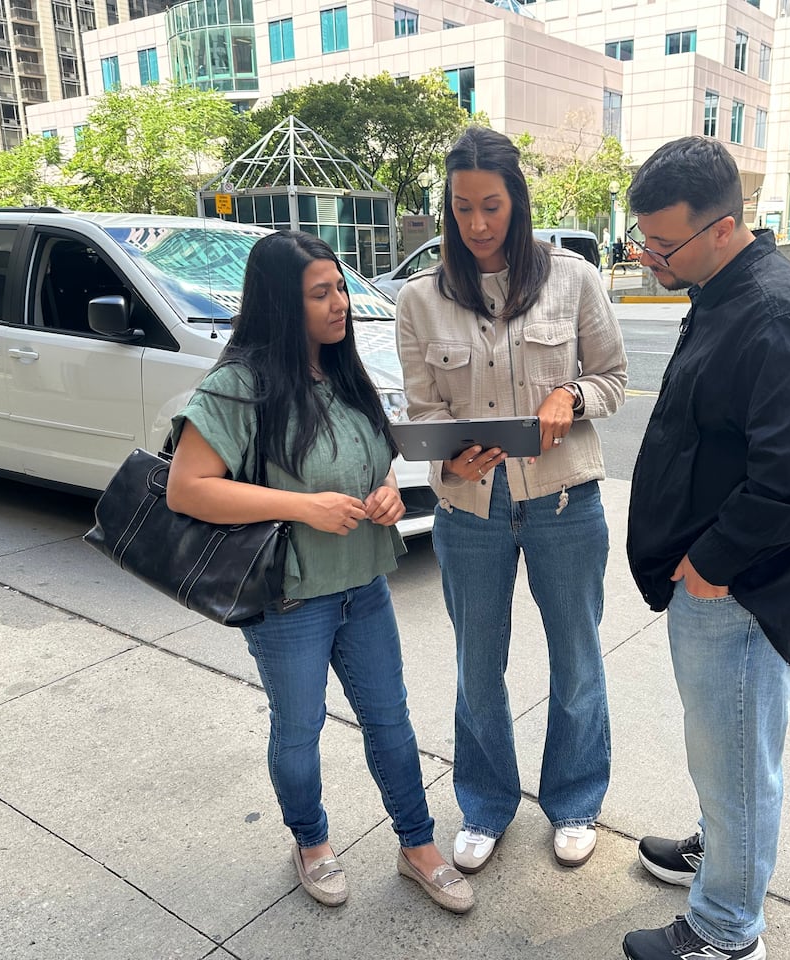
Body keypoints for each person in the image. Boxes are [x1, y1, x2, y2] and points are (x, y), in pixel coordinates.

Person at [165, 230, 473, 915]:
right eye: (321, 293)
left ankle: (417, 846)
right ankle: (310, 842)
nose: (340, 304)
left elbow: (372, 457)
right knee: (299, 730)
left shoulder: (341, 370)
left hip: (363, 584)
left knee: (390, 721)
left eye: (340, 288)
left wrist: (389, 490)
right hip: (290, 598)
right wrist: (301, 506)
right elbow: (187, 488)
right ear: (281, 303)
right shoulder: (239, 385)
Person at [622, 137, 790, 960]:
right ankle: (720, 851)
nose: (647, 256)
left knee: (739, 757)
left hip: (744, 590)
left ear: (723, 228)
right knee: (721, 746)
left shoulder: (777, 314)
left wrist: (714, 563)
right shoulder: (725, 292)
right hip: (720, 582)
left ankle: (726, 932)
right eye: (641, 239)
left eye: (663, 243)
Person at [395, 127, 627, 875]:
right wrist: (450, 450)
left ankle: (575, 798)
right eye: (462, 208)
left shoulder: (575, 279)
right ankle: (486, 803)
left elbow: (614, 380)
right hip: (471, 509)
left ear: (517, 200)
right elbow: (424, 411)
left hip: (565, 501)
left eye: (491, 205)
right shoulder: (420, 300)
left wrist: (570, 394)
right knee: (477, 663)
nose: (478, 224)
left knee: (578, 656)